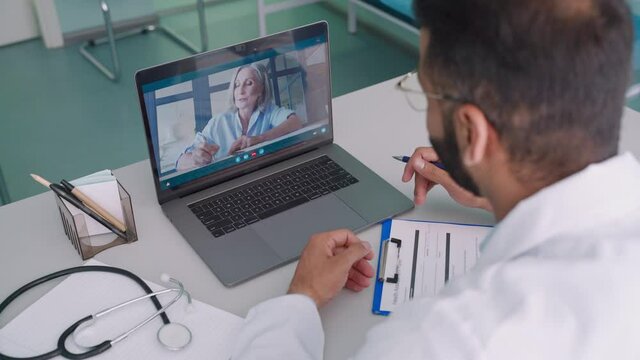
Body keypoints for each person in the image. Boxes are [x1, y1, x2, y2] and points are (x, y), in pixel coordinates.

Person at [231, 0, 640, 359]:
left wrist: (300, 300)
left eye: (428, 93)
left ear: (471, 133)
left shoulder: (440, 341)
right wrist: (494, 195)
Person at [176, 63, 302, 170]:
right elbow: (179, 163)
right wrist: (196, 158)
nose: (240, 91)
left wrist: (260, 138)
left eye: (248, 83)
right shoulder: (219, 122)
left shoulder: (269, 112)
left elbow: (295, 122)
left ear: (261, 89)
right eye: (237, 84)